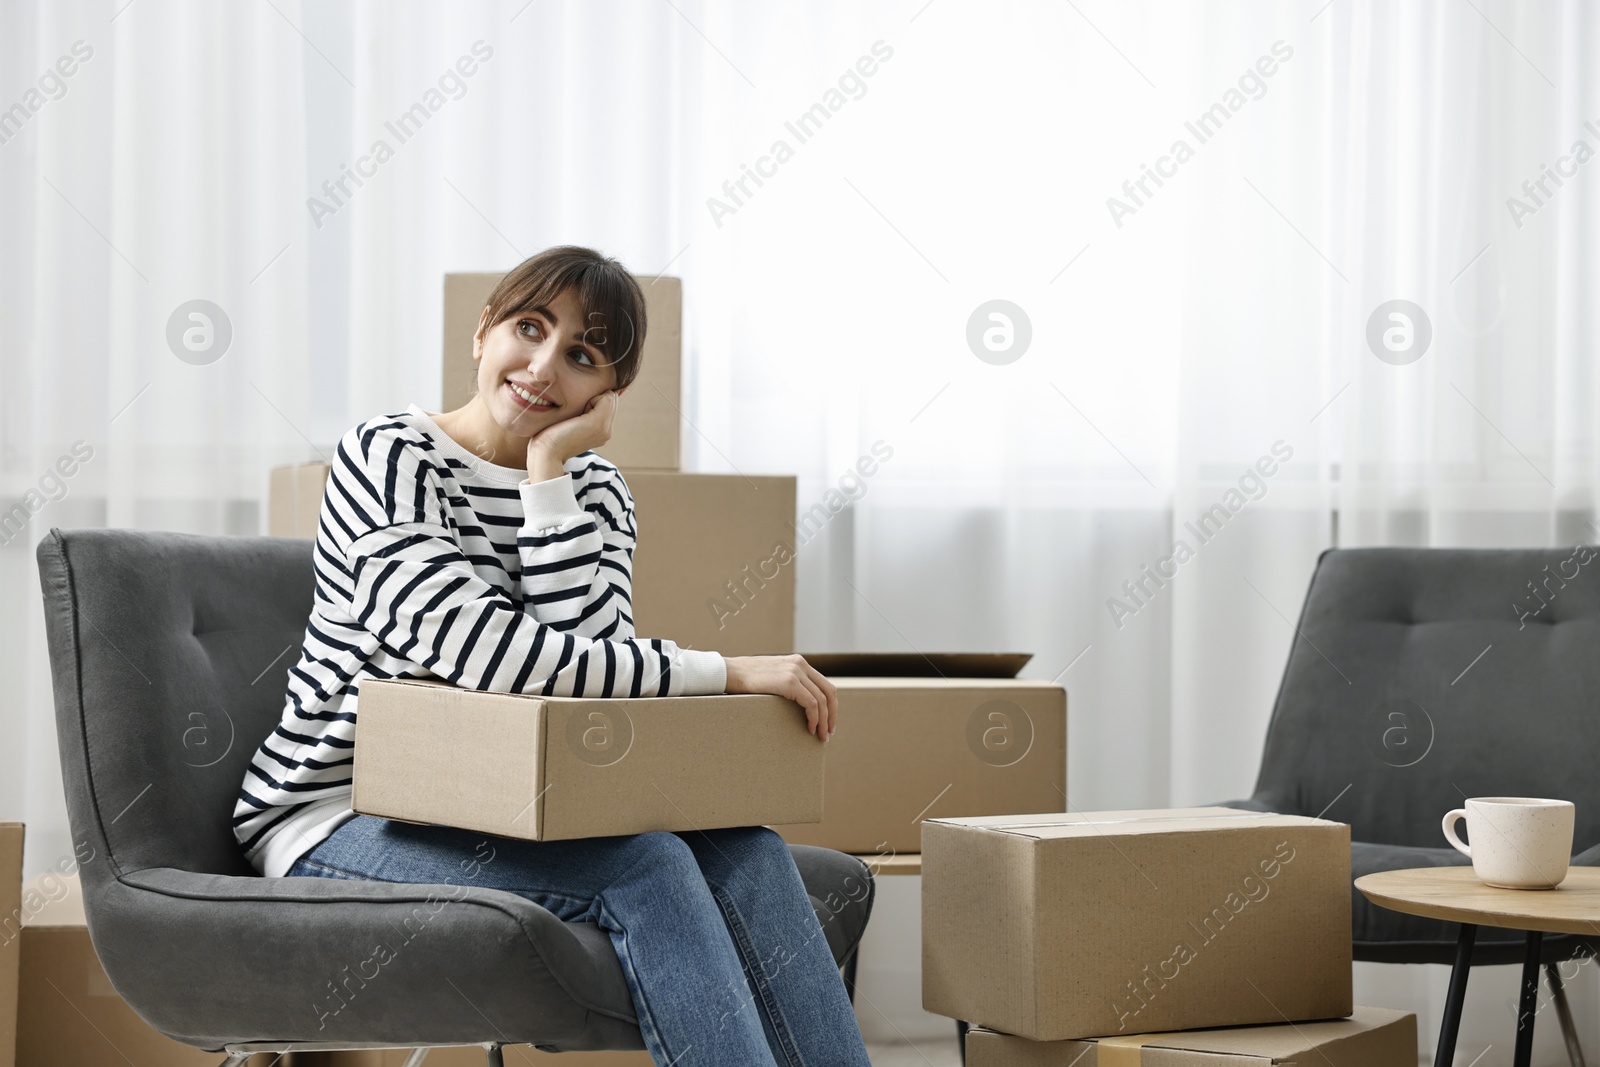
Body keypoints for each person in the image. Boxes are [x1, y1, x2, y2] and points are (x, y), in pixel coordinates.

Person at [233, 245, 873, 1066]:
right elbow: (491, 659)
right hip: (340, 809)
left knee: (749, 850)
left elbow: (590, 684)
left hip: (507, 800)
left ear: (607, 394)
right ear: (481, 332)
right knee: (646, 866)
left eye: (579, 354)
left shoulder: (596, 490)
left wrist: (548, 476)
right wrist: (725, 669)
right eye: (527, 328)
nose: (541, 367)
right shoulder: (390, 456)